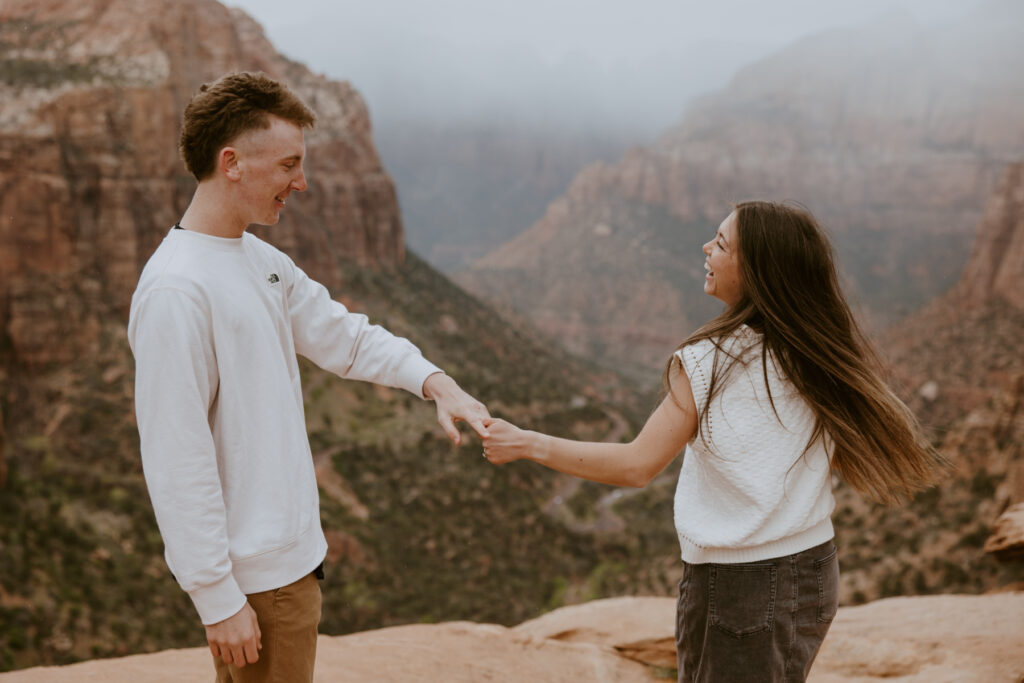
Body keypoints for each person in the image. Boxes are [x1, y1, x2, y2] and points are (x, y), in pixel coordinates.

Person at [481, 201, 946, 682]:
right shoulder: (816, 347)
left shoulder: (710, 361)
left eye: (721, 243)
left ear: (758, 272)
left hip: (741, 586)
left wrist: (526, 443)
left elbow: (636, 466)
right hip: (815, 567)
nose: (706, 247)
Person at [127, 71, 490, 683]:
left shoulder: (259, 259)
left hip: (289, 570)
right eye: (289, 164)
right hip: (259, 587)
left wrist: (435, 381)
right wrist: (218, 600)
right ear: (232, 162)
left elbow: (344, 336)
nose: (302, 181)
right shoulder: (176, 291)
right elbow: (175, 460)